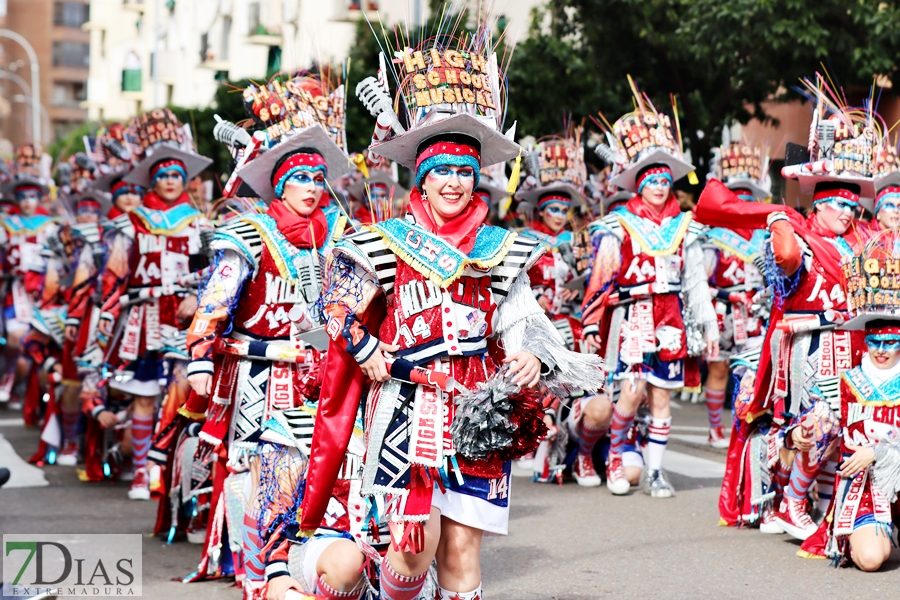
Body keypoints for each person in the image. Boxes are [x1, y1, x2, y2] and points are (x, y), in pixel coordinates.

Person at [300, 18, 604, 600]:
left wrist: (531, 359)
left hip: (479, 411)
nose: (454, 184)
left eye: (465, 173)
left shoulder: (499, 250)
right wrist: (364, 346)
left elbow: (523, 323)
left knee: (463, 553)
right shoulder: (385, 243)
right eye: (442, 171)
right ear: (422, 176)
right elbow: (331, 309)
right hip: (407, 408)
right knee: (412, 545)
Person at [183, 73, 351, 599]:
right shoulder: (248, 235)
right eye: (302, 179)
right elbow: (215, 303)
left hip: (323, 373)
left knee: (312, 470)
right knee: (257, 473)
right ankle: (256, 578)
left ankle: (295, 564)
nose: (313, 189)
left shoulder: (341, 234)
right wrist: (201, 360)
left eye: (320, 180)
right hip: (260, 373)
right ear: (280, 185)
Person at [582, 85, 719, 498]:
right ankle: (615, 455)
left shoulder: (685, 227)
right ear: (638, 185)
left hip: (671, 317)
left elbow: (696, 282)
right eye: (651, 180)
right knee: (631, 389)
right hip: (633, 316)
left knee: (661, 396)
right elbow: (601, 278)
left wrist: (709, 325)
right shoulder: (617, 224)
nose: (659, 187)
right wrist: (590, 323)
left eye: (664, 180)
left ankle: (657, 471)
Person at [96, 108, 212, 508]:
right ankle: (142, 469)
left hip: (185, 318)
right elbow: (113, 274)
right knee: (143, 396)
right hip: (144, 316)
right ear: (152, 180)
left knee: (180, 395)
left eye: (175, 176)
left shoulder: (199, 224)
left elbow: (211, 274)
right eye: (162, 175)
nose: (168, 182)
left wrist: (196, 296)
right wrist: (108, 318)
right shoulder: (132, 222)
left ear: (184, 181)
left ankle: (172, 474)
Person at [516, 130, 605, 486]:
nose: (559, 214)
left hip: (570, 323)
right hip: (534, 324)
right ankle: (533, 442)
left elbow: (590, 282)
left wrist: (578, 294)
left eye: (564, 209)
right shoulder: (524, 241)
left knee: (578, 386)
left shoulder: (576, 241)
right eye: (552, 208)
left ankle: (582, 453)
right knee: (532, 382)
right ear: (540, 209)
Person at [823, 230, 900, 571]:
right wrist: (800, 434)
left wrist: (881, 452)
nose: (881, 351)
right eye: (874, 342)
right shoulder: (846, 380)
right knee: (870, 560)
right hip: (867, 486)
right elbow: (819, 425)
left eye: (891, 342)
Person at [700, 138, 772, 448]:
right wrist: (728, 297)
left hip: (755, 311)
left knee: (752, 368)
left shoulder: (765, 235)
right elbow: (700, 281)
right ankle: (715, 427)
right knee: (718, 368)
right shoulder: (712, 238)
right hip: (722, 309)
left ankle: (746, 420)